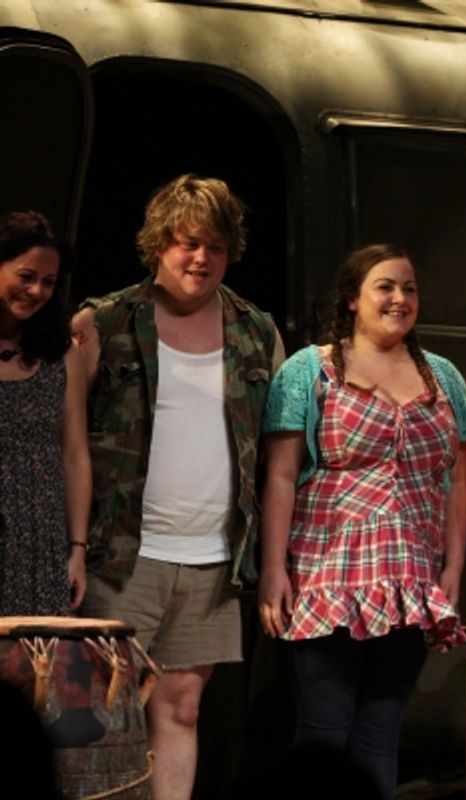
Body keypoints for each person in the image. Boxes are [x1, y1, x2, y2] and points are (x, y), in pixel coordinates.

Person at [73, 174, 284, 800]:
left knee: (183, 707)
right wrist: (76, 545)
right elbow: (66, 441)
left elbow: (276, 454)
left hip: (213, 559)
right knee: (106, 714)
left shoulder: (255, 330)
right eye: (188, 243)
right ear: (159, 243)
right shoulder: (104, 322)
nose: (200, 259)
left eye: (214, 247)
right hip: (123, 554)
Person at [257, 244, 466, 800]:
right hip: (327, 576)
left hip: (409, 580)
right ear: (353, 298)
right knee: (325, 733)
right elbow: (281, 476)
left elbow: (457, 481)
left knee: (380, 735)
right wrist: (273, 569)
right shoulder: (311, 370)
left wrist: (453, 567)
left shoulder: (442, 377)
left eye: (409, 288)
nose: (399, 298)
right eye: (385, 286)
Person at [0, 210, 90, 616]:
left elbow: (73, 454)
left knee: (33, 672)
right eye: (26, 275)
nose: (36, 290)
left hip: (39, 544)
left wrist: (76, 549)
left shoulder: (61, 354)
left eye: (48, 282)